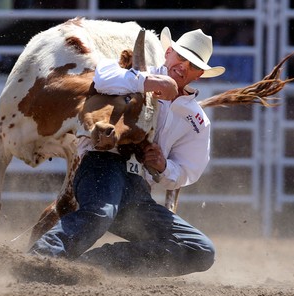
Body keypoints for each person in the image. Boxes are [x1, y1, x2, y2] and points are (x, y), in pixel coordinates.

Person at [29, 27, 225, 276]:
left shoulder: (197, 120)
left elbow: (188, 170)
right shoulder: (137, 73)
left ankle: (91, 268)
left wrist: (164, 166)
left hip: (137, 188)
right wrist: (147, 81)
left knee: (200, 249)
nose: (183, 66)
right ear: (168, 54)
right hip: (103, 163)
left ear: (199, 74)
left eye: (192, 64)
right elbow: (102, 77)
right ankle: (39, 259)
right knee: (100, 214)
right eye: (180, 57)